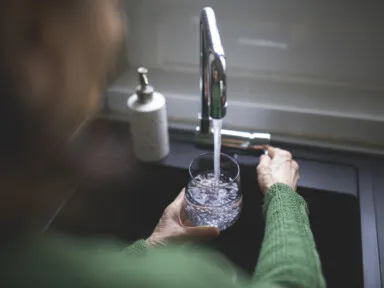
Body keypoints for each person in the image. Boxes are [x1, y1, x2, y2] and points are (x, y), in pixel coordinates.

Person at [0, 0, 326, 287]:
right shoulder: (182, 279)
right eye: (113, 7)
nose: (117, 29)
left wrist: (152, 245)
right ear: (42, 38)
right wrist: (283, 196)